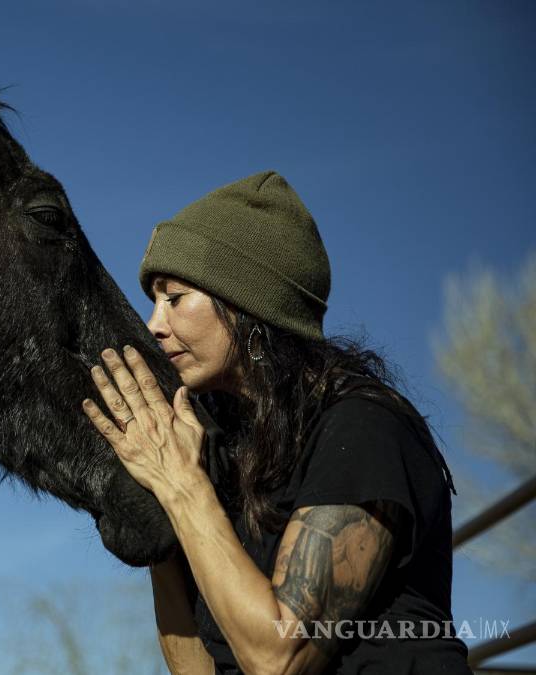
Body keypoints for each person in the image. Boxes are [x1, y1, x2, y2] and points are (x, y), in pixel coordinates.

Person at [79, 171, 472, 674]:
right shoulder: (222, 452)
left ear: (246, 302)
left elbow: (279, 659)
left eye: (174, 298)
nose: (155, 324)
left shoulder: (363, 428)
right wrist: (157, 501)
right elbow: (198, 669)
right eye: (154, 302)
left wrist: (181, 487)